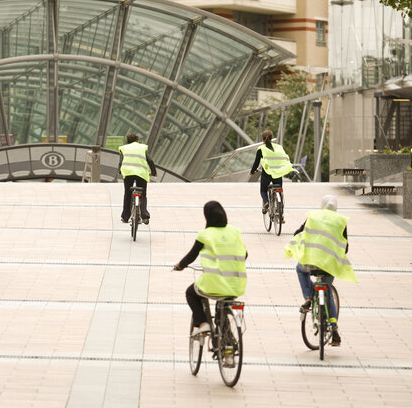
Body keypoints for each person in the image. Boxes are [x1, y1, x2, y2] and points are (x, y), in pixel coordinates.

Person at [173, 201, 247, 364]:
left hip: (213, 283)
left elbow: (191, 256)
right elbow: (245, 254)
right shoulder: (235, 232)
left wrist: (180, 266)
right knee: (223, 310)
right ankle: (228, 354)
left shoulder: (205, 235)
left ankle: (203, 323)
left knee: (191, 293)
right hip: (236, 284)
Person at [285, 195, 357, 347]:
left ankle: (308, 298)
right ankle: (334, 329)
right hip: (328, 265)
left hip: (310, 262)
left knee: (300, 269)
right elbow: (346, 247)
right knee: (327, 288)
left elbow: (298, 233)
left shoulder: (313, 216)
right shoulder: (340, 221)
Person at [250, 130, 294, 219]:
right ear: (271, 138)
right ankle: (280, 213)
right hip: (277, 174)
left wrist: (252, 171)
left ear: (263, 139)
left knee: (263, 190)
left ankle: (266, 202)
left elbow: (256, 163)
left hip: (267, 173)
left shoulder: (261, 149)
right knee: (279, 191)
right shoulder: (279, 147)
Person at [118, 133, 157, 224]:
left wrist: (120, 170)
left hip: (128, 173)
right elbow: (150, 161)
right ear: (137, 140)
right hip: (141, 173)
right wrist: (154, 172)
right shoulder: (142, 147)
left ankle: (125, 217)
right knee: (142, 195)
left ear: (127, 141)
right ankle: (144, 216)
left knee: (127, 194)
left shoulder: (124, 148)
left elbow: (121, 162)